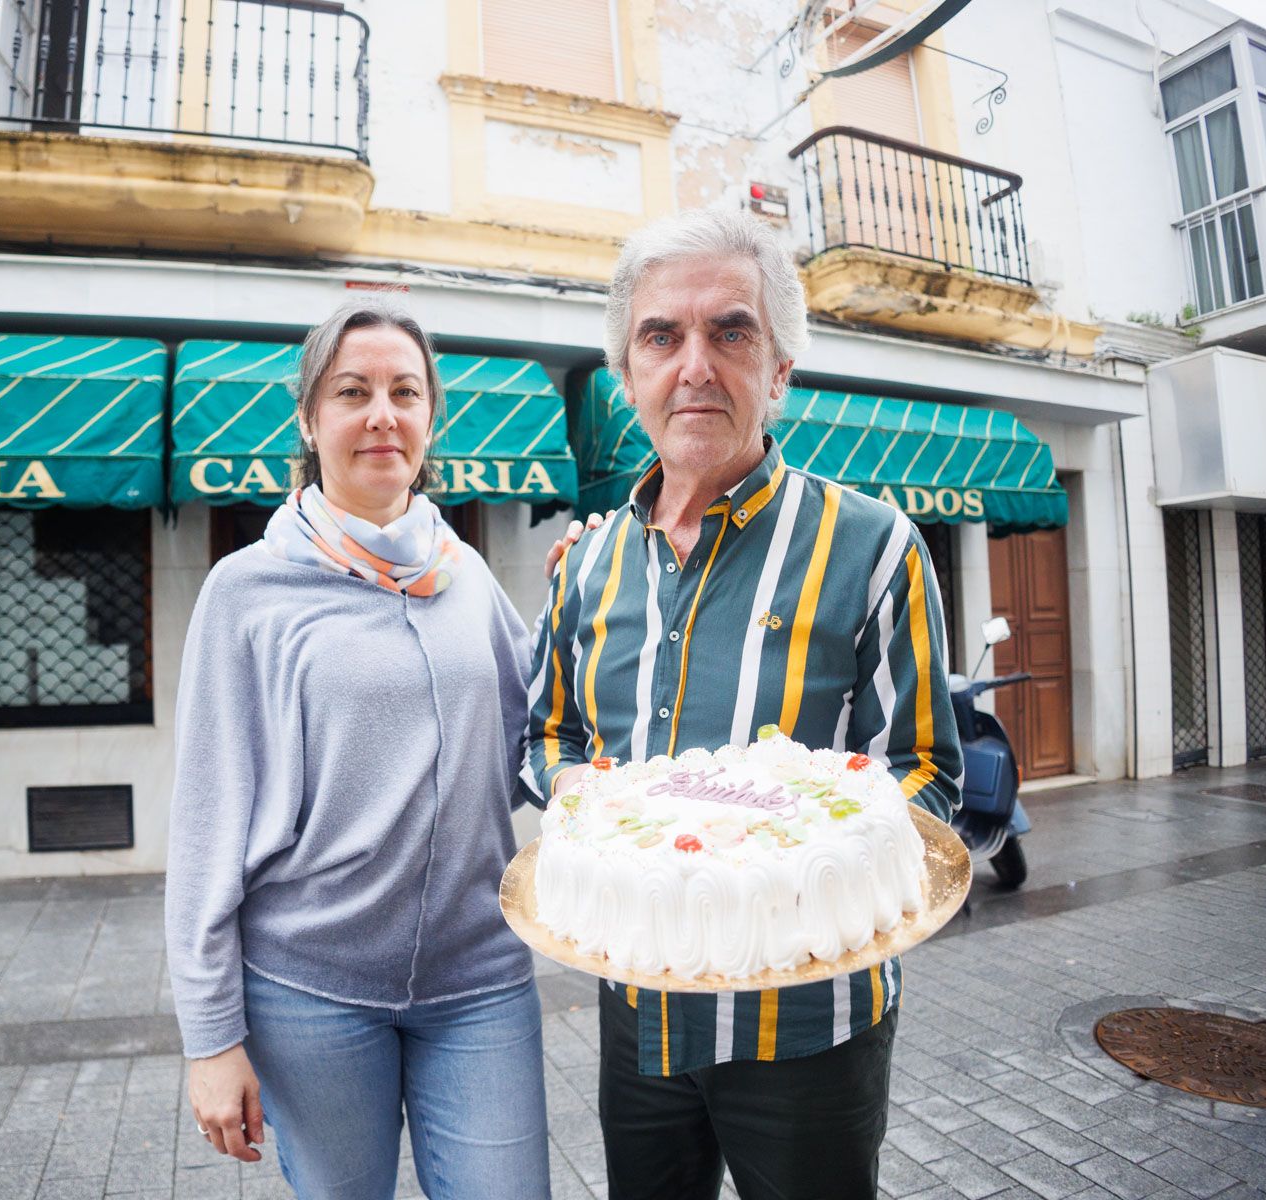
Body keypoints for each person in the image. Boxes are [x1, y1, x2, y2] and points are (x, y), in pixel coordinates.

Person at [524, 205, 963, 1200]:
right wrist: (600, 811)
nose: (695, 365)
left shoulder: (876, 546)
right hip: (639, 1012)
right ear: (627, 376)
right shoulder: (584, 566)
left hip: (812, 1026)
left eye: (731, 331)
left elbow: (930, 768)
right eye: (660, 336)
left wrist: (814, 845)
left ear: (779, 372)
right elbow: (548, 734)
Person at [165, 297, 551, 1200]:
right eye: (353, 391)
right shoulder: (247, 592)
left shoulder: (465, 573)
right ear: (311, 418)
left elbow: (538, 740)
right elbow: (205, 825)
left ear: (429, 419)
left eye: (404, 391)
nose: (383, 413)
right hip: (311, 993)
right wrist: (210, 1039)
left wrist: (590, 608)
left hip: (480, 979)